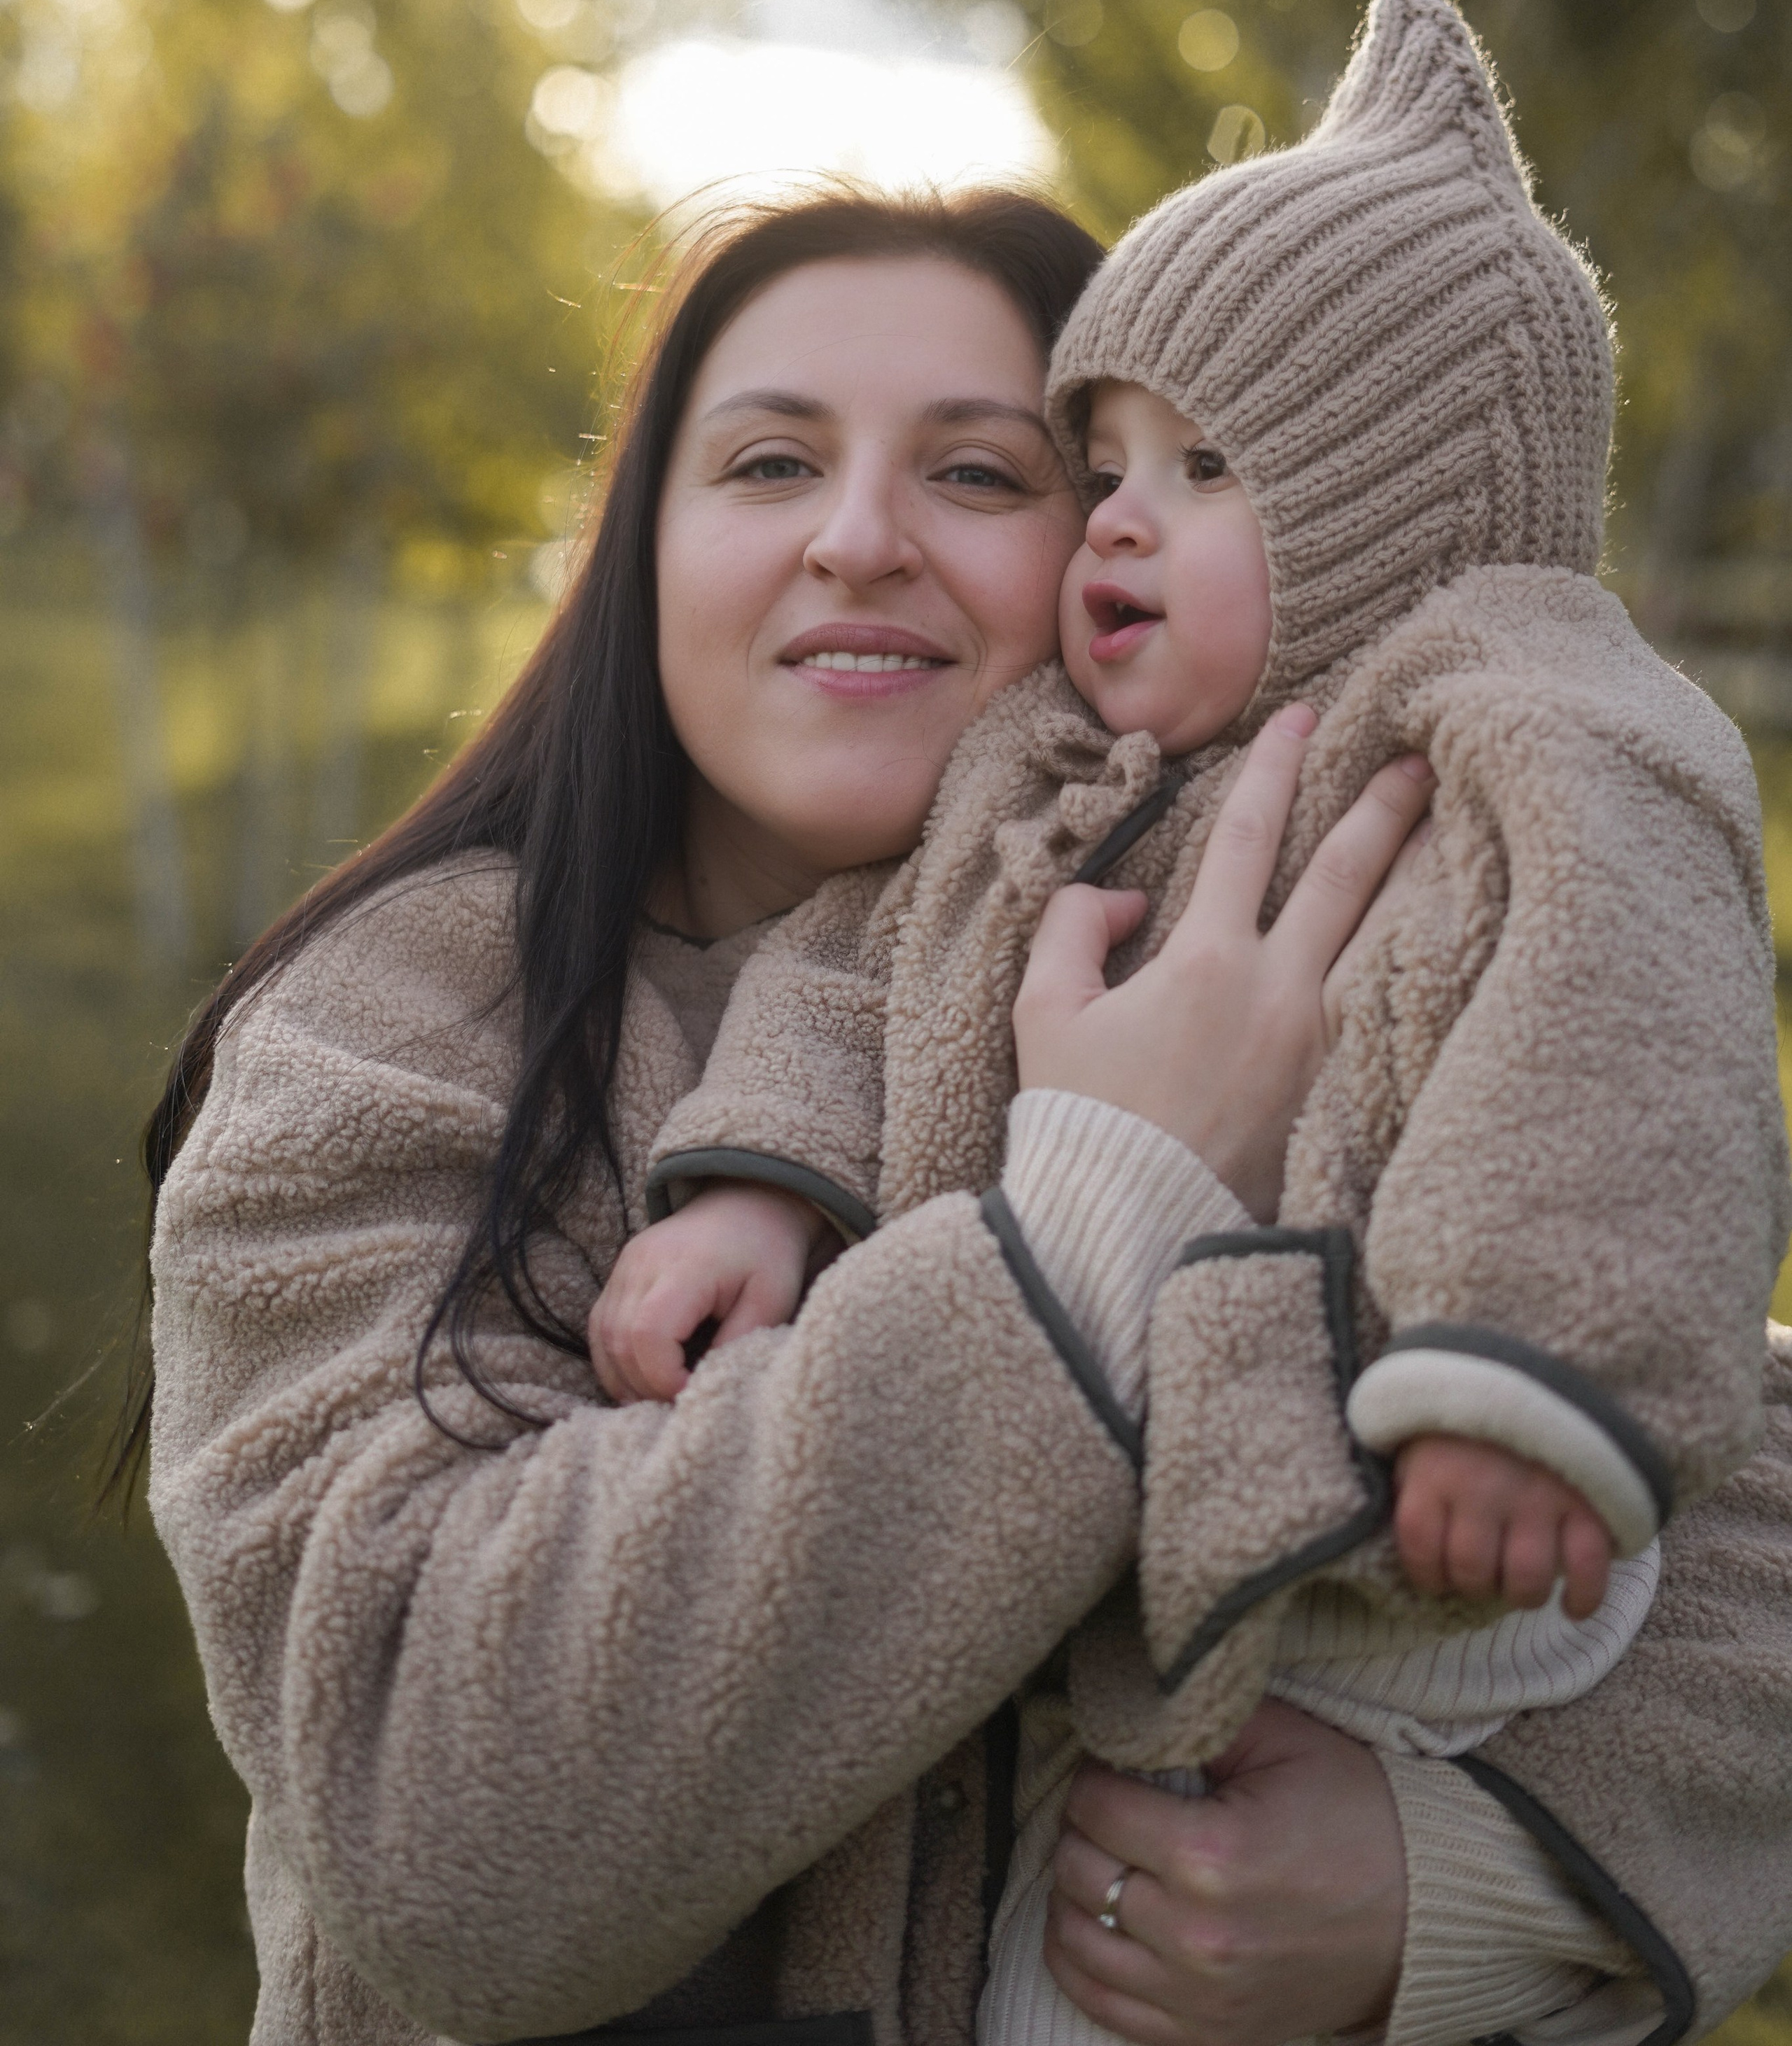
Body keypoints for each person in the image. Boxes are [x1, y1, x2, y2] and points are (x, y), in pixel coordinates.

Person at [123, 181, 1792, 2046]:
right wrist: (1101, 1213)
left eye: (985, 477)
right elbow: (439, 1828)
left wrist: (1465, 1879)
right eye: (767, 464)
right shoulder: (385, 1036)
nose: (858, 541)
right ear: (641, 545)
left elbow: (1723, 1464)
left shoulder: (1319, 903)